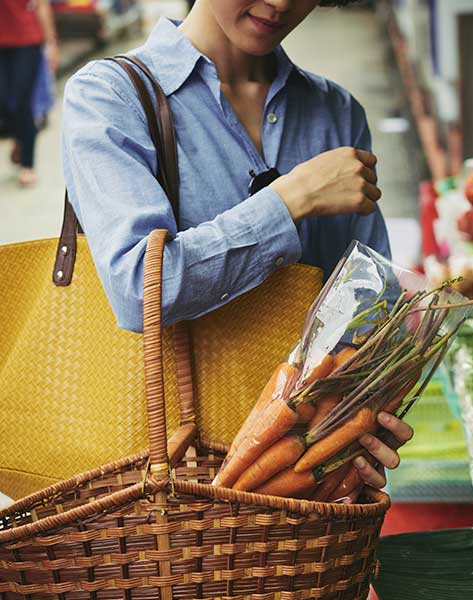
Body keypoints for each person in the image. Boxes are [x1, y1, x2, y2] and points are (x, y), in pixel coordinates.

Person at [62, 0, 409, 498]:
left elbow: (371, 307)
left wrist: (368, 412)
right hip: (165, 485)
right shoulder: (110, 96)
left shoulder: (335, 112)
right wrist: (291, 199)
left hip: (305, 479)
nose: (281, 3)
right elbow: (139, 288)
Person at [0, 0, 59, 186]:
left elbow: (41, 5)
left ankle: (28, 164)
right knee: (3, 101)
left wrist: (51, 43)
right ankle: (20, 136)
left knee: (21, 101)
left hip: (27, 40)